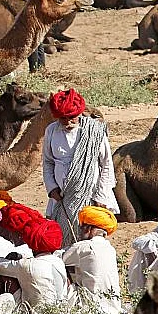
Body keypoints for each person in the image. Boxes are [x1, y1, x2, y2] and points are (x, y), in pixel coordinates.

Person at [43, 88, 117, 248]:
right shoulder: (51, 131)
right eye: (63, 118)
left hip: (91, 197)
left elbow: (106, 164)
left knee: (91, 242)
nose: (68, 122)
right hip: (61, 197)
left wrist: (102, 196)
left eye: (72, 118)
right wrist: (52, 188)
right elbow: (48, 162)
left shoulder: (95, 132)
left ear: (79, 113)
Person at [0, 218, 71, 314]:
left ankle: (0, 310)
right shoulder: (58, 261)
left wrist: (14, 259)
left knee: (7, 274)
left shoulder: (26, 265)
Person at [62, 206, 125, 314]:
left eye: (81, 228)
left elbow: (56, 260)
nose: (79, 232)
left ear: (88, 229)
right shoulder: (110, 249)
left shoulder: (83, 246)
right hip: (114, 309)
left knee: (57, 269)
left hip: (90, 310)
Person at [18, 0, 50, 72]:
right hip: (44, 14)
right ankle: (42, 68)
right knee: (39, 42)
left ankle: (34, 69)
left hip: (33, 15)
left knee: (32, 44)